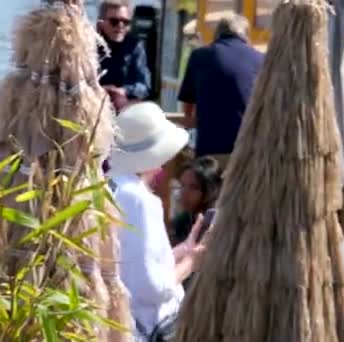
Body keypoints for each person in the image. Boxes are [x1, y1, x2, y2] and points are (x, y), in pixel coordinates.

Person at [108, 102, 206, 340]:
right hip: (146, 328)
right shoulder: (141, 201)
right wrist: (191, 262)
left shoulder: (109, 186)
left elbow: (133, 266)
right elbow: (152, 288)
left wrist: (182, 249)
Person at [178, 14, 264, 165]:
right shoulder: (259, 59)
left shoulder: (199, 56)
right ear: (245, 35)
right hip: (247, 149)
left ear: (217, 34)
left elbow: (188, 106)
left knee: (210, 186)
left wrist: (192, 119)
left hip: (209, 148)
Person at [97, 0, 151, 111]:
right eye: (114, 21)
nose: (120, 26)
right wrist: (100, 89)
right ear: (102, 22)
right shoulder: (88, 45)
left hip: (125, 112)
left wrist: (123, 91)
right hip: (93, 108)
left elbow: (144, 86)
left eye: (125, 22)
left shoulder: (135, 46)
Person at [170, 156, 222, 247]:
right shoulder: (184, 220)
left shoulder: (218, 224)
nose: (184, 192)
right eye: (182, 185)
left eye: (194, 187)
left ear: (211, 191)